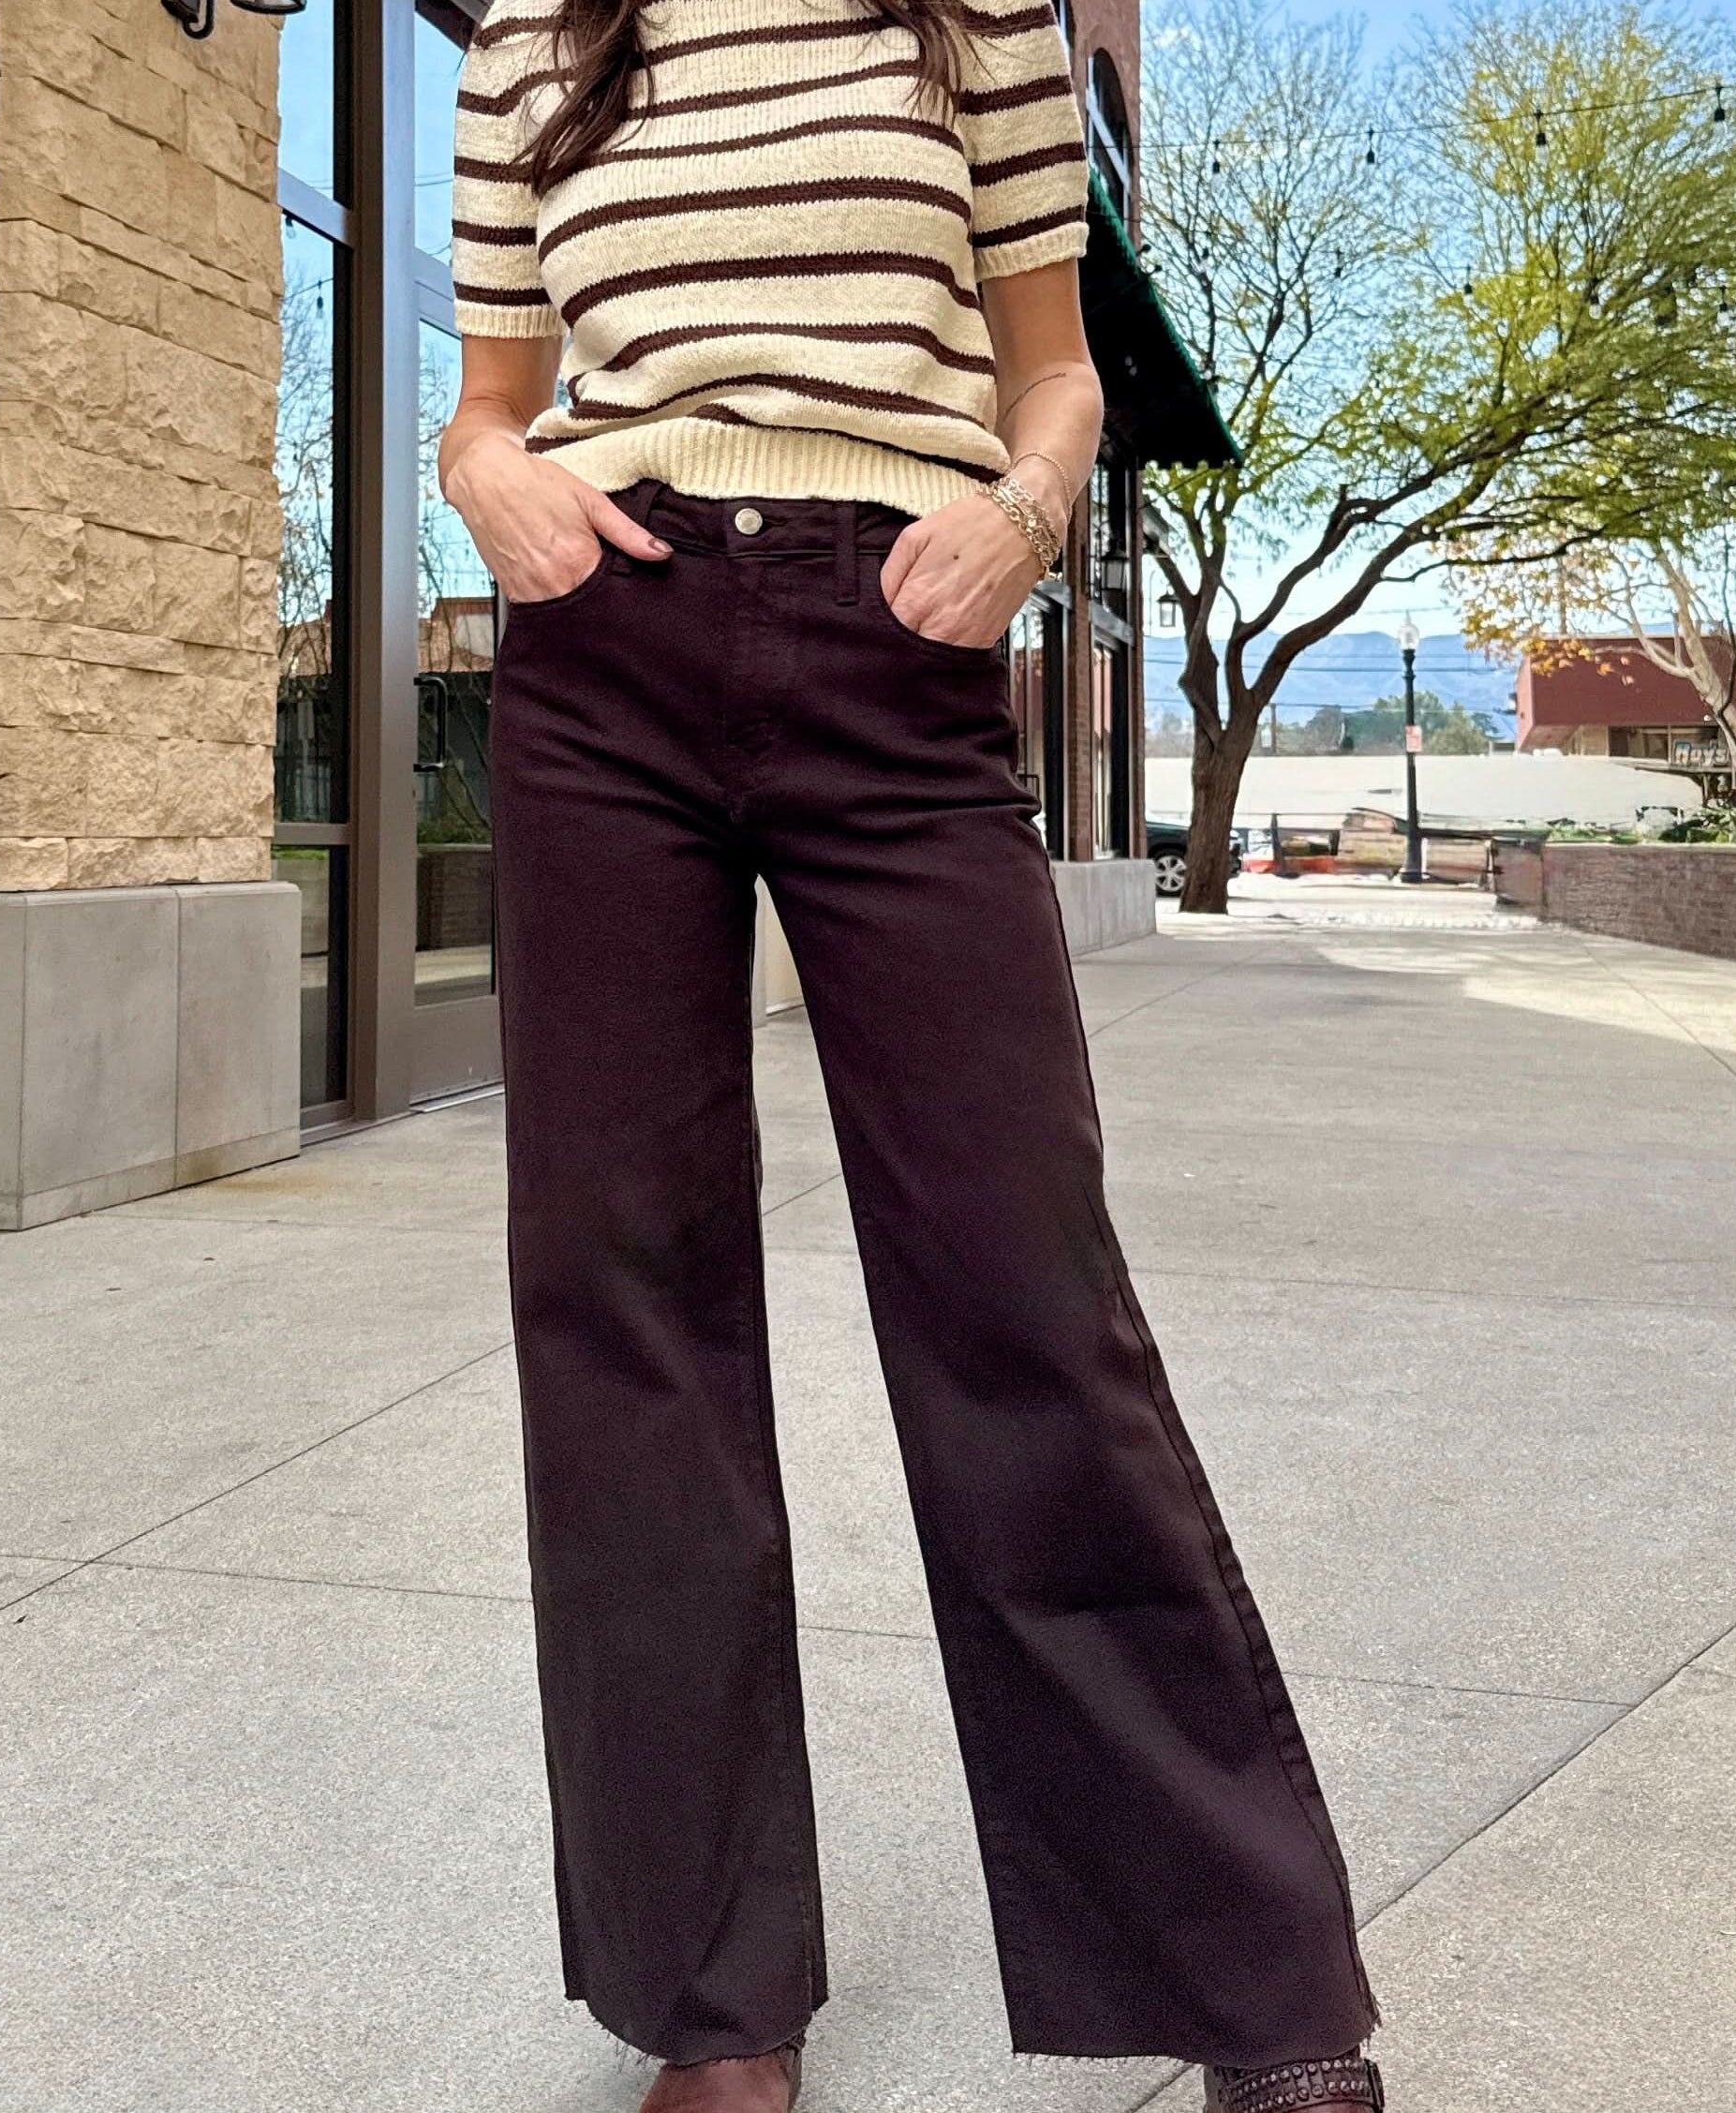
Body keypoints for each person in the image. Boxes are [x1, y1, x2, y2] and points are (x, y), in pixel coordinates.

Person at [438, 1, 1385, 2106]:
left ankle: (1250, 1984)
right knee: (624, 1313)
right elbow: (490, 401)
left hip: (904, 647)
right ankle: (711, 2006)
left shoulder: (973, 24)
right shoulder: (528, 39)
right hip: (609, 659)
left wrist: (1028, 516)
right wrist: (496, 479)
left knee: (1028, 1300)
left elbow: (1052, 365)